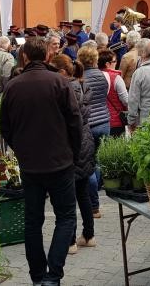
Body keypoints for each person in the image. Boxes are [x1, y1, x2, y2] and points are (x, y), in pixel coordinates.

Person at [0, 37, 82, 286]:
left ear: (23, 57)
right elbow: (75, 121)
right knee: (66, 217)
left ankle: (39, 277)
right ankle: (52, 276)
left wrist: (22, 150)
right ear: (47, 56)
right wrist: (73, 153)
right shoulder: (59, 82)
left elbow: (5, 128)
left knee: (33, 221)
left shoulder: (13, 87)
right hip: (60, 161)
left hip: (31, 164)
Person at [50, 55, 96, 255]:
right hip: (86, 141)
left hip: (71, 144)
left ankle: (70, 242)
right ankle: (89, 235)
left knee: (68, 198)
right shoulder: (82, 86)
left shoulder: (64, 89)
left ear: (62, 72)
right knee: (83, 193)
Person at [77, 45, 108, 218]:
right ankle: (95, 198)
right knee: (99, 162)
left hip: (88, 124)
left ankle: (94, 205)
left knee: (88, 165)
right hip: (104, 121)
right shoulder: (103, 76)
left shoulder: (80, 78)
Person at [98, 49, 128, 137]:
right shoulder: (116, 78)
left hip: (98, 120)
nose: (116, 63)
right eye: (114, 61)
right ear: (107, 64)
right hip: (116, 120)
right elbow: (125, 100)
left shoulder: (94, 76)